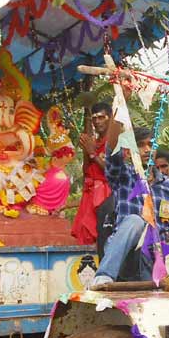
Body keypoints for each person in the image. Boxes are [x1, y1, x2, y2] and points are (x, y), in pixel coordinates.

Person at [90, 124, 169, 286]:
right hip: (125, 255)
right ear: (129, 151)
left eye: (150, 144)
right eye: (140, 145)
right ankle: (103, 276)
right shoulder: (123, 176)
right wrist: (120, 103)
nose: (147, 149)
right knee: (136, 221)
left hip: (153, 257)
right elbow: (111, 153)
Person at [72, 102, 114, 244]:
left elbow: (112, 171)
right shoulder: (95, 142)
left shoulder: (115, 141)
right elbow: (86, 171)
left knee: (105, 233)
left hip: (106, 193)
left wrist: (92, 153)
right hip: (90, 192)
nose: (97, 121)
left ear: (110, 117)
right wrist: (87, 149)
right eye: (94, 118)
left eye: (101, 117)